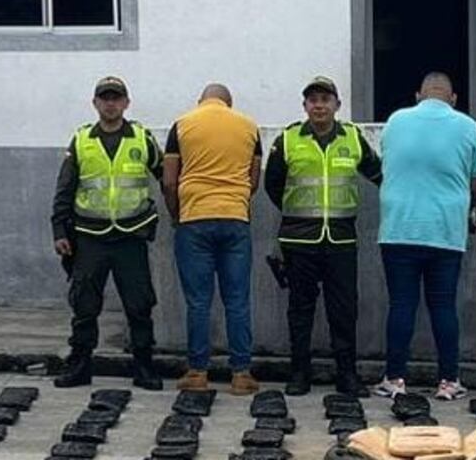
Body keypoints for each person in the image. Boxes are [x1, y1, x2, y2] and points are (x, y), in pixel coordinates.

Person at [264, 76, 383, 397]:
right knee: (300, 310)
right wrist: (295, 211)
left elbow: (378, 174)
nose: (319, 105)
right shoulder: (287, 140)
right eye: (313, 100)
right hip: (299, 241)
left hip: (341, 241)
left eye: (325, 99)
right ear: (305, 106)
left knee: (343, 310)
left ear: (337, 105)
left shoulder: (353, 138)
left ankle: (347, 374)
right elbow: (272, 185)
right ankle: (300, 373)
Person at [373, 72, 476, 401]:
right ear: (453, 99)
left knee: (401, 305)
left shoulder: (396, 121)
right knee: (443, 306)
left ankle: (394, 379)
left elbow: (388, 162)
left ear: (418, 96)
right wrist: (469, 211)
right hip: (446, 231)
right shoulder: (467, 126)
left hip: (399, 228)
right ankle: (449, 381)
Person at [50, 75, 163, 390]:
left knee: (139, 305)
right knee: (84, 306)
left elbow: (167, 176)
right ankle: (80, 366)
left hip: (131, 235)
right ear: (95, 103)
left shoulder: (142, 138)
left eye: (116, 98)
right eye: (105, 98)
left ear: (126, 103)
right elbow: (65, 189)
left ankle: (144, 368)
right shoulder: (82, 140)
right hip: (90, 237)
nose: (110, 104)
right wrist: (59, 230)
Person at [163, 83, 263, 395]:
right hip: (235, 218)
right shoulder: (249, 127)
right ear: (228, 103)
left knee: (198, 301)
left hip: (194, 219)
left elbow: (169, 180)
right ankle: (241, 374)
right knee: (237, 299)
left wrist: (177, 214)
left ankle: (197, 372)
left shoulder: (182, 125)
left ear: (201, 101)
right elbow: (253, 179)